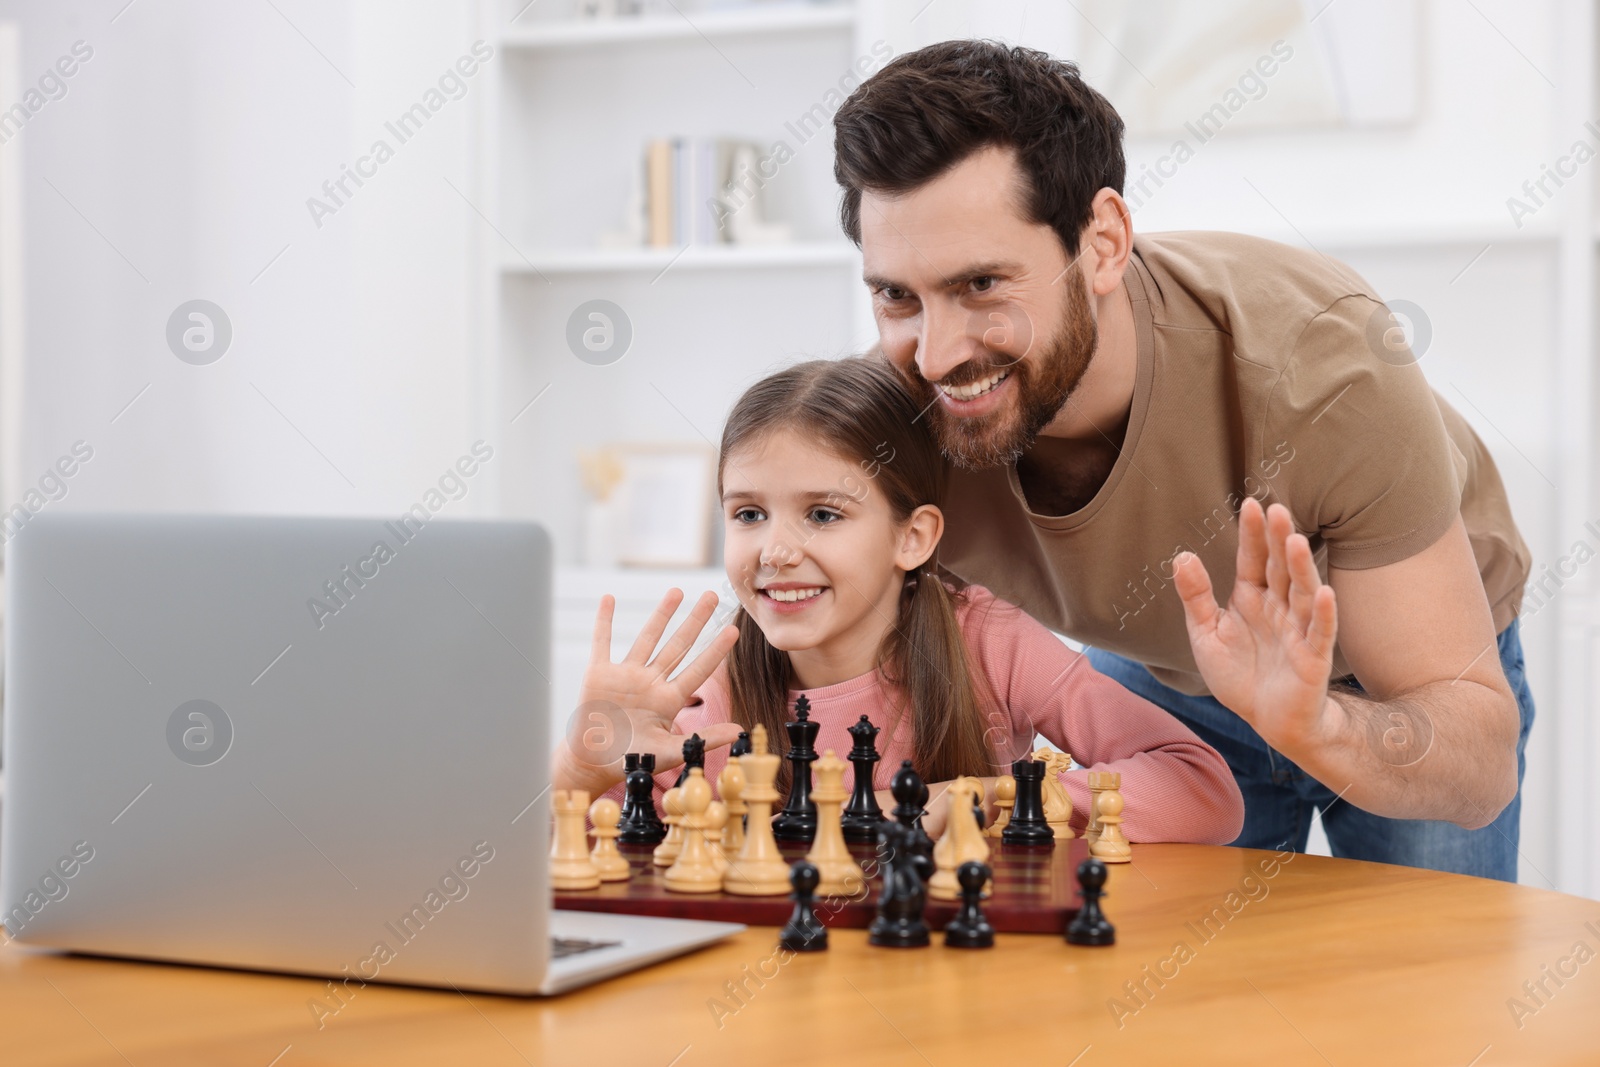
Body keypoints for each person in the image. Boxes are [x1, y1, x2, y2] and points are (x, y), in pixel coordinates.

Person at [829, 41, 1534, 879]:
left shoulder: (1325, 367)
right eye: (897, 296)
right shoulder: (889, 430)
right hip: (1165, 668)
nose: (939, 354)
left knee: (1431, 996)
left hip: (1389, 690)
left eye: (982, 283)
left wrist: (1318, 726)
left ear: (1102, 243)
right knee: (1175, 994)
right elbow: (797, 652)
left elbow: (1479, 762)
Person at [551, 357, 1244, 842]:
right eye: (748, 514)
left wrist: (988, 801)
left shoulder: (990, 641)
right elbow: (561, 866)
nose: (775, 550)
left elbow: (1204, 790)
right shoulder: (713, 693)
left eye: (823, 514)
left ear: (912, 538)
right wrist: (578, 772)